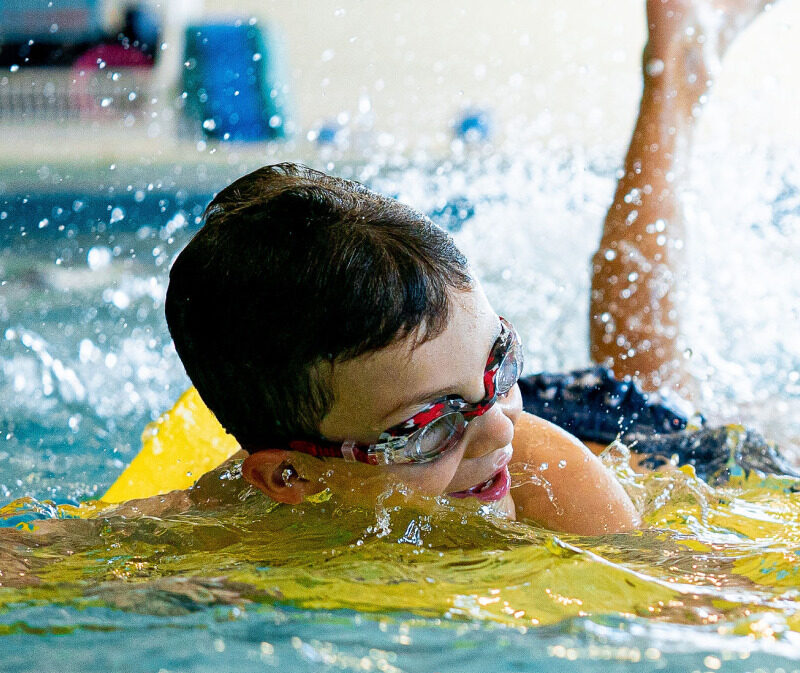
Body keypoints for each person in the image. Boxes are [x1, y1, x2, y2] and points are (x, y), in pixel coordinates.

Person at [161, 0, 797, 536]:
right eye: (422, 430)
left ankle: (675, 78)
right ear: (288, 477)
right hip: (445, 388)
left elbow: (696, 610)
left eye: (506, 352)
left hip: (606, 435)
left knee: (659, 380)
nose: (498, 430)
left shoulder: (554, 478)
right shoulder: (238, 507)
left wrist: (461, 404)